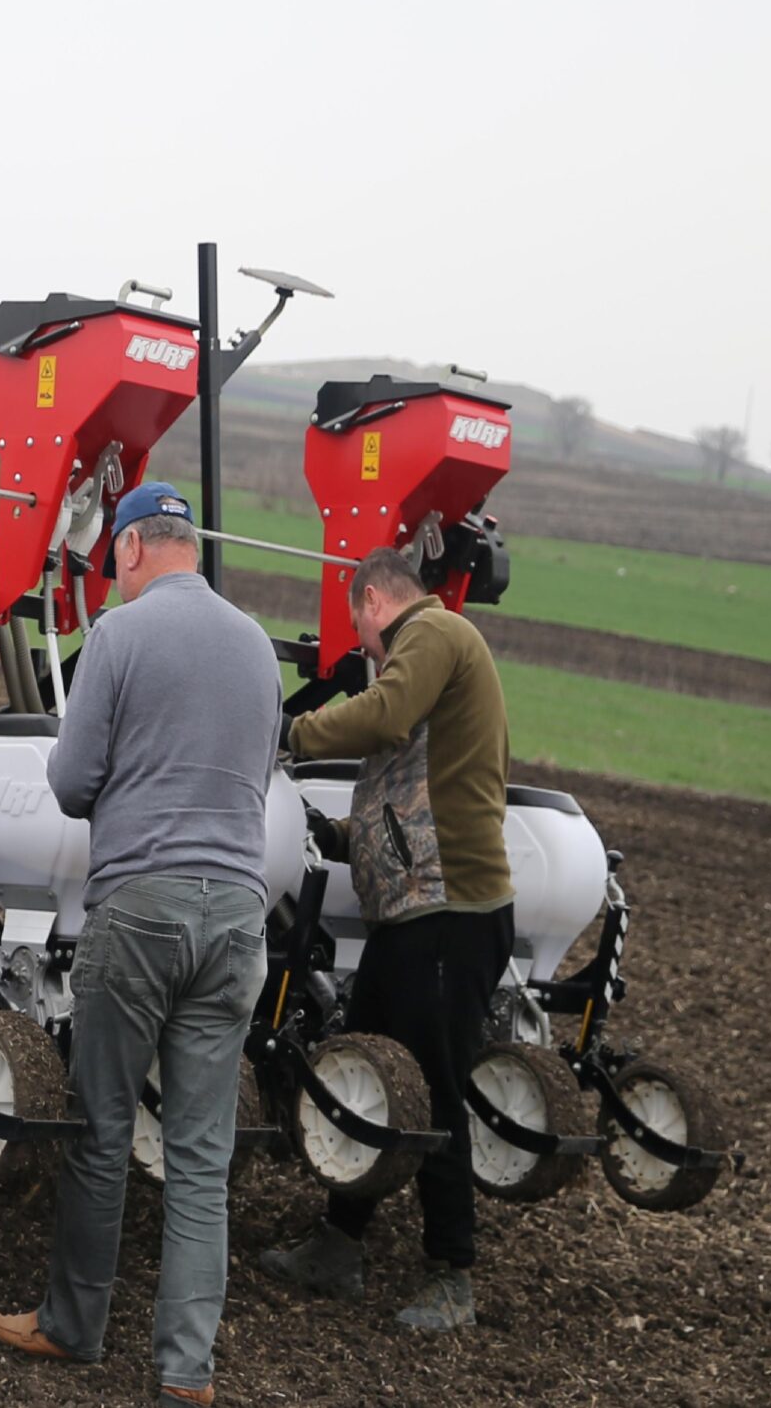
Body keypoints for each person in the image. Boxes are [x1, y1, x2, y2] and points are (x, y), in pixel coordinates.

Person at [0, 482, 283, 1408]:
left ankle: (74, 1325)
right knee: (199, 1151)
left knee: (104, 1128)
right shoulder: (258, 645)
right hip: (238, 913)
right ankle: (185, 1371)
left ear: (130, 552)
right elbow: (262, 776)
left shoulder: (119, 634)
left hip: (142, 906)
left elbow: (72, 783)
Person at [260, 545, 515, 1333]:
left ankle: (453, 1275)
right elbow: (407, 778)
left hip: (449, 913)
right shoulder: (427, 649)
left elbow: (384, 717)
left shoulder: (433, 634)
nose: (361, 647)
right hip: (412, 914)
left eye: (357, 627)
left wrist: (289, 734)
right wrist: (341, 835)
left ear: (372, 600)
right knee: (371, 1075)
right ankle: (340, 1244)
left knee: (433, 1088)